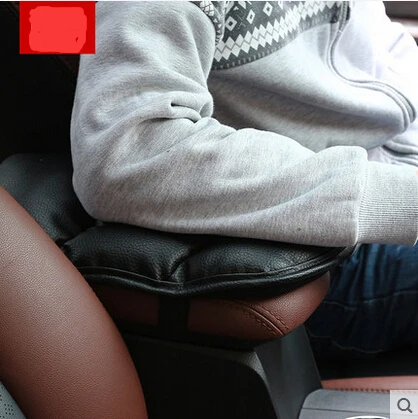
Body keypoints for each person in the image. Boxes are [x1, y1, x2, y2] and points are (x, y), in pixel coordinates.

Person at [71, 1, 418, 360]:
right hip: (317, 251)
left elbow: (388, 51)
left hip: (383, 175)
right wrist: (400, 197)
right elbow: (128, 153)